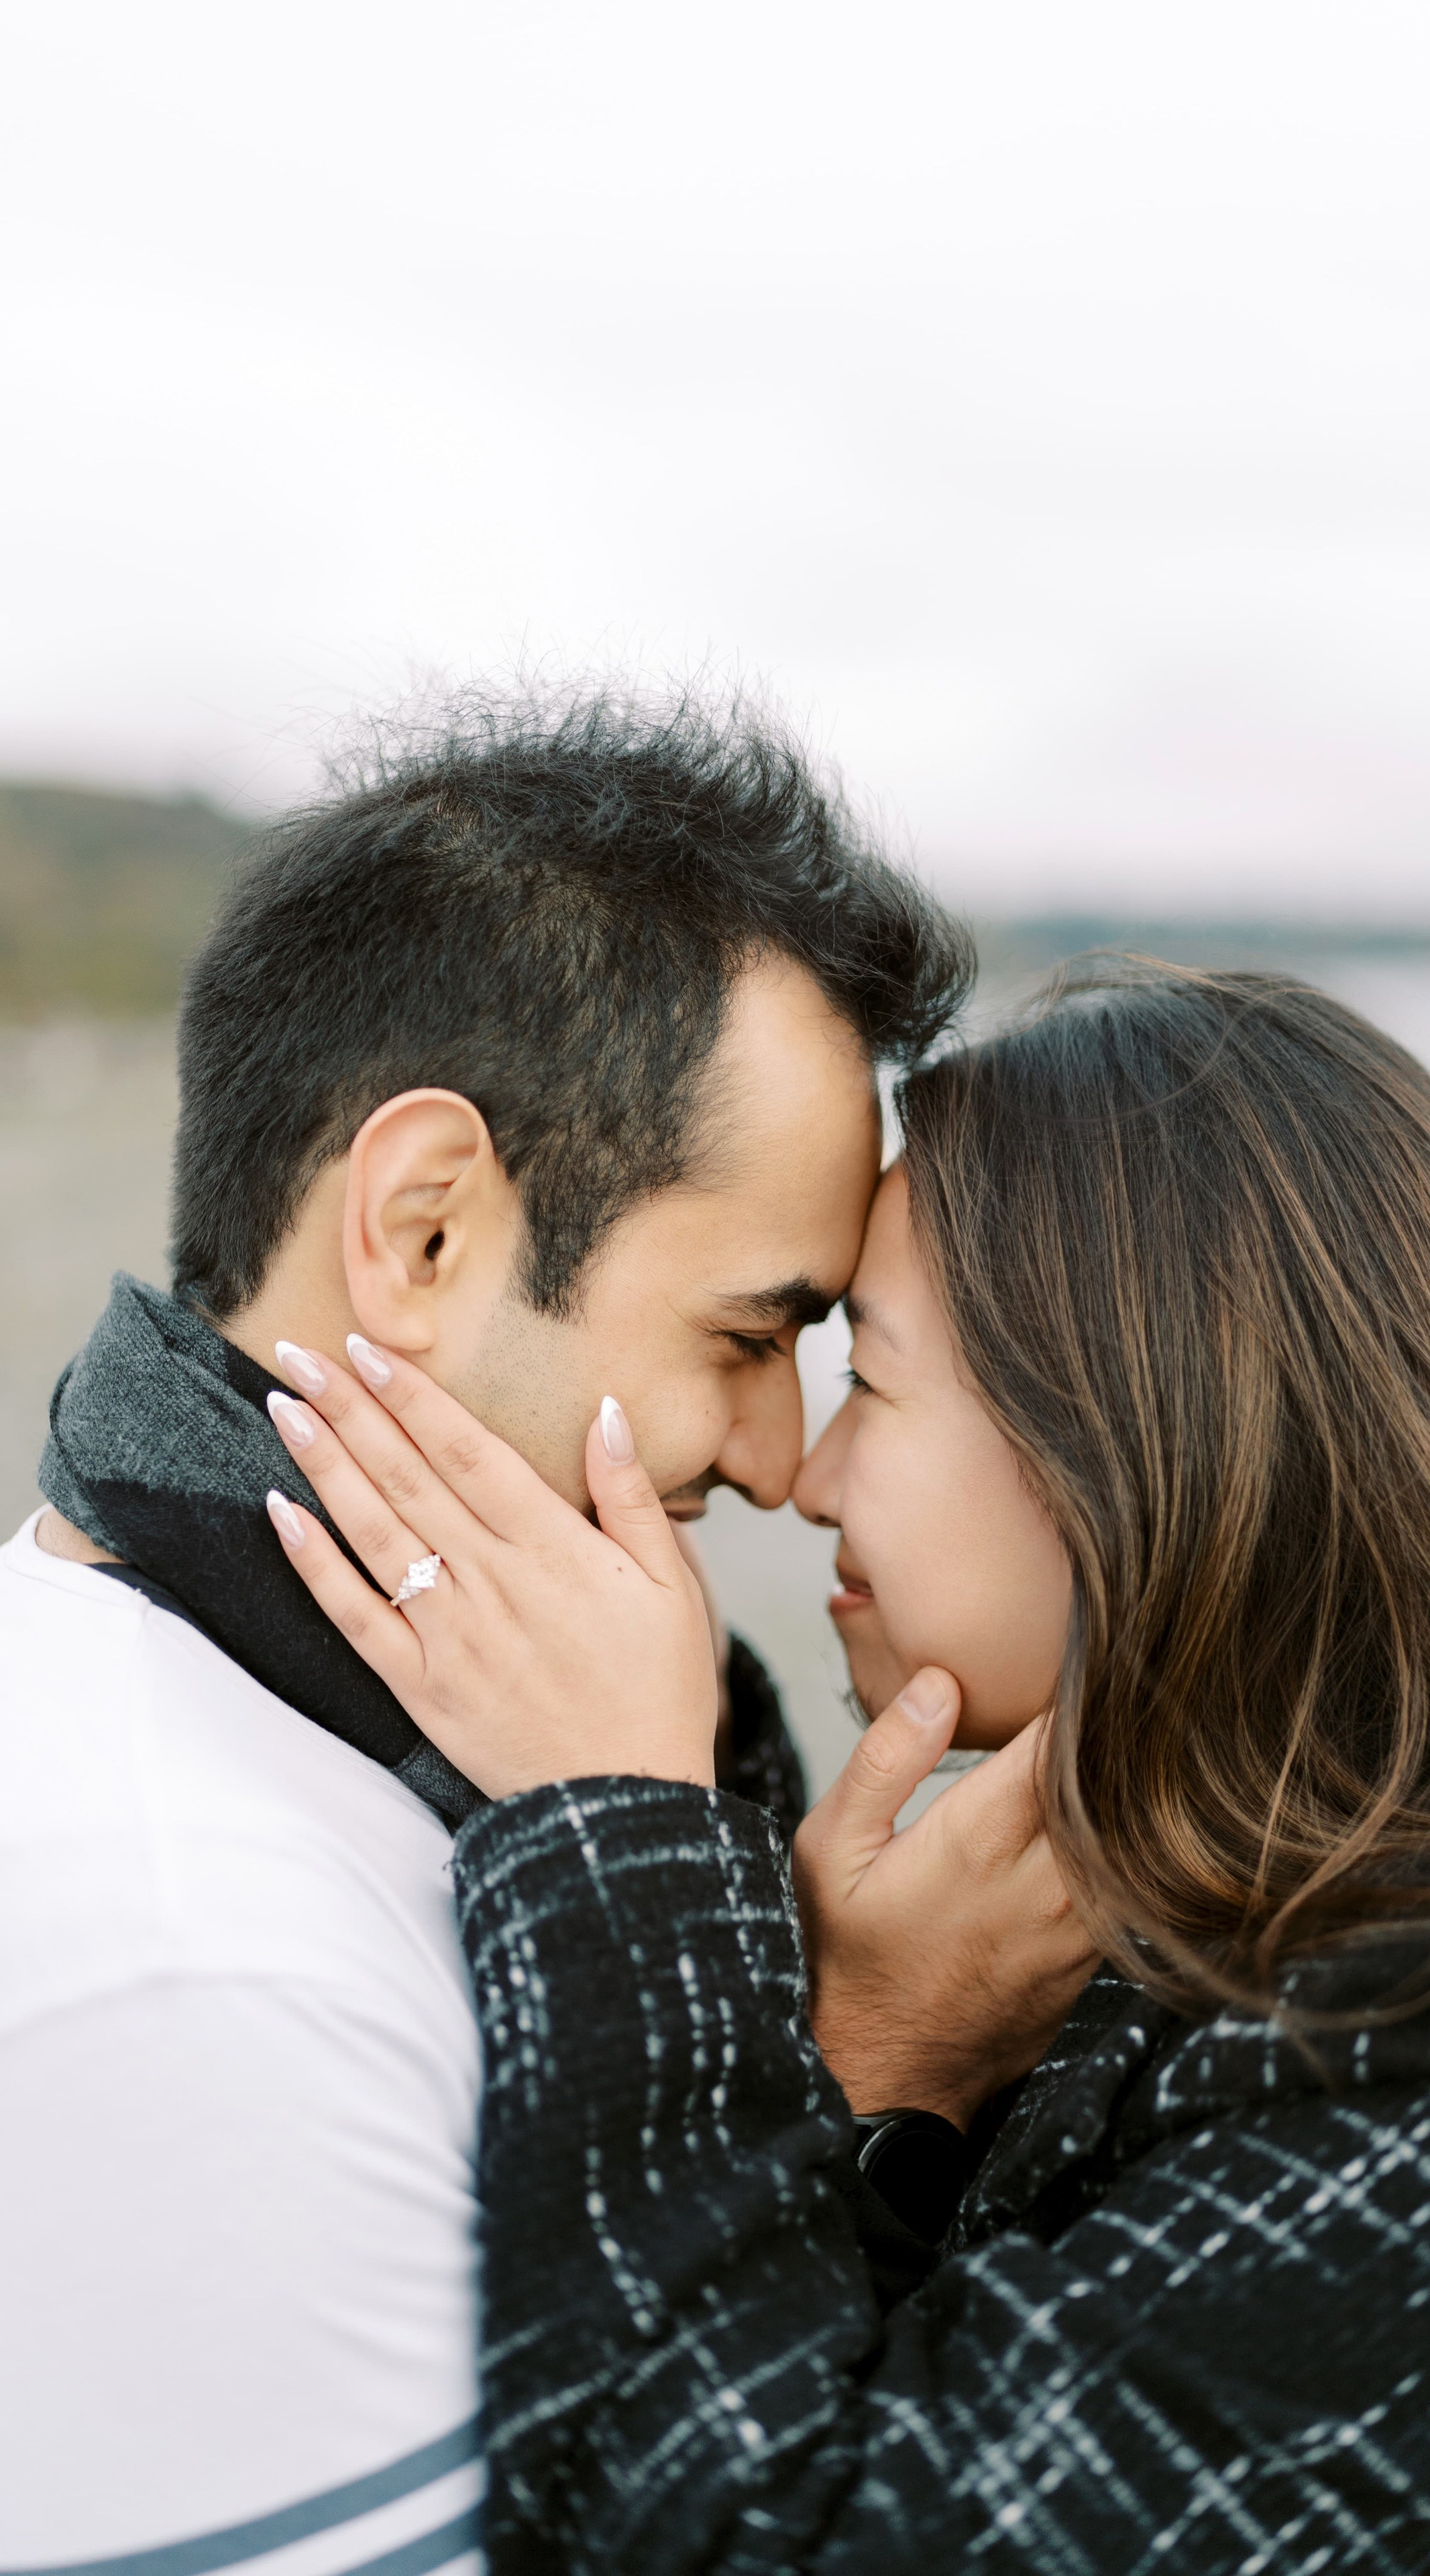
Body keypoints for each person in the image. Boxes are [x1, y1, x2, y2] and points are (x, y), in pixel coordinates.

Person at [270, 959, 1430, 2573]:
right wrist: (888, 2062)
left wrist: (626, 1835)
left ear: (1138, 1431)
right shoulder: (1172, 1910)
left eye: (867, 1380)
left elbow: (745, 2539)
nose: (800, 1477)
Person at [0, 690, 969, 2569]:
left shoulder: (277, 1757)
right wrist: (881, 2073)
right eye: (748, 1337)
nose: (781, 1460)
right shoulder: (206, 1965)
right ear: (427, 1228)